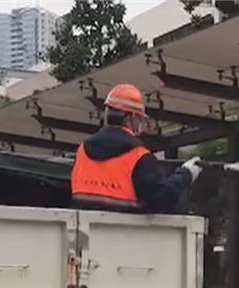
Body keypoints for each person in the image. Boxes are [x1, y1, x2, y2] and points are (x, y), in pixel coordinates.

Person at [71, 84, 203, 213]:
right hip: (127, 233)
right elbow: (160, 199)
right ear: (131, 118)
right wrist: (186, 174)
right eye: (139, 119)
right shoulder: (138, 155)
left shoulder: (82, 150)